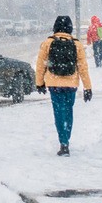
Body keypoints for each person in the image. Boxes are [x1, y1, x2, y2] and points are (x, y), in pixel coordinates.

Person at [35, 15, 92, 156]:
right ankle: (66, 139)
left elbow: (40, 64)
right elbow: (83, 67)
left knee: (58, 112)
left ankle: (63, 143)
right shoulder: (76, 44)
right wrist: (87, 87)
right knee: (68, 112)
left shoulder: (48, 43)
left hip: (54, 84)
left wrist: (39, 83)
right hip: (71, 84)